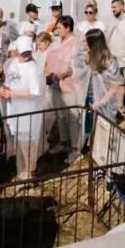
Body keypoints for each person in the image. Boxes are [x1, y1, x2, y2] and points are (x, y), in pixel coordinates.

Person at [0, 35, 47, 181]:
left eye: (28, 51)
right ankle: (22, 171)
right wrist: (4, 89)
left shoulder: (34, 69)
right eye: (23, 51)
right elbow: (8, 82)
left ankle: (29, 172)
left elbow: (36, 93)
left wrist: (13, 93)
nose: (26, 54)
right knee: (20, 141)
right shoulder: (13, 64)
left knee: (29, 143)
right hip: (16, 110)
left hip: (29, 111)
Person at [46, 16, 87, 162]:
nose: (57, 31)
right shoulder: (57, 43)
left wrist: (63, 73)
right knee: (61, 116)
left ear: (68, 27)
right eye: (56, 28)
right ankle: (63, 143)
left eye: (59, 28)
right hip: (56, 86)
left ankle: (76, 150)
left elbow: (78, 67)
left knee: (73, 119)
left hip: (71, 87)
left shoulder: (76, 45)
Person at [105, 0, 125, 116]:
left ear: (122, 6)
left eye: (115, 7)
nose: (113, 10)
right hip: (115, 59)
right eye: (112, 8)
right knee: (118, 83)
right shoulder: (115, 21)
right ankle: (120, 106)